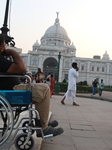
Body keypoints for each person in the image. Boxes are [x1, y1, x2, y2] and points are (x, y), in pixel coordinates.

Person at [0, 34, 64, 137]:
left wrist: (23, 72)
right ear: (1, 47)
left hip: (7, 91)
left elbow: (17, 70)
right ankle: (43, 127)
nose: (6, 47)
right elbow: (21, 67)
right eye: (4, 45)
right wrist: (13, 52)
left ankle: (42, 122)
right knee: (44, 89)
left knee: (40, 89)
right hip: (9, 93)